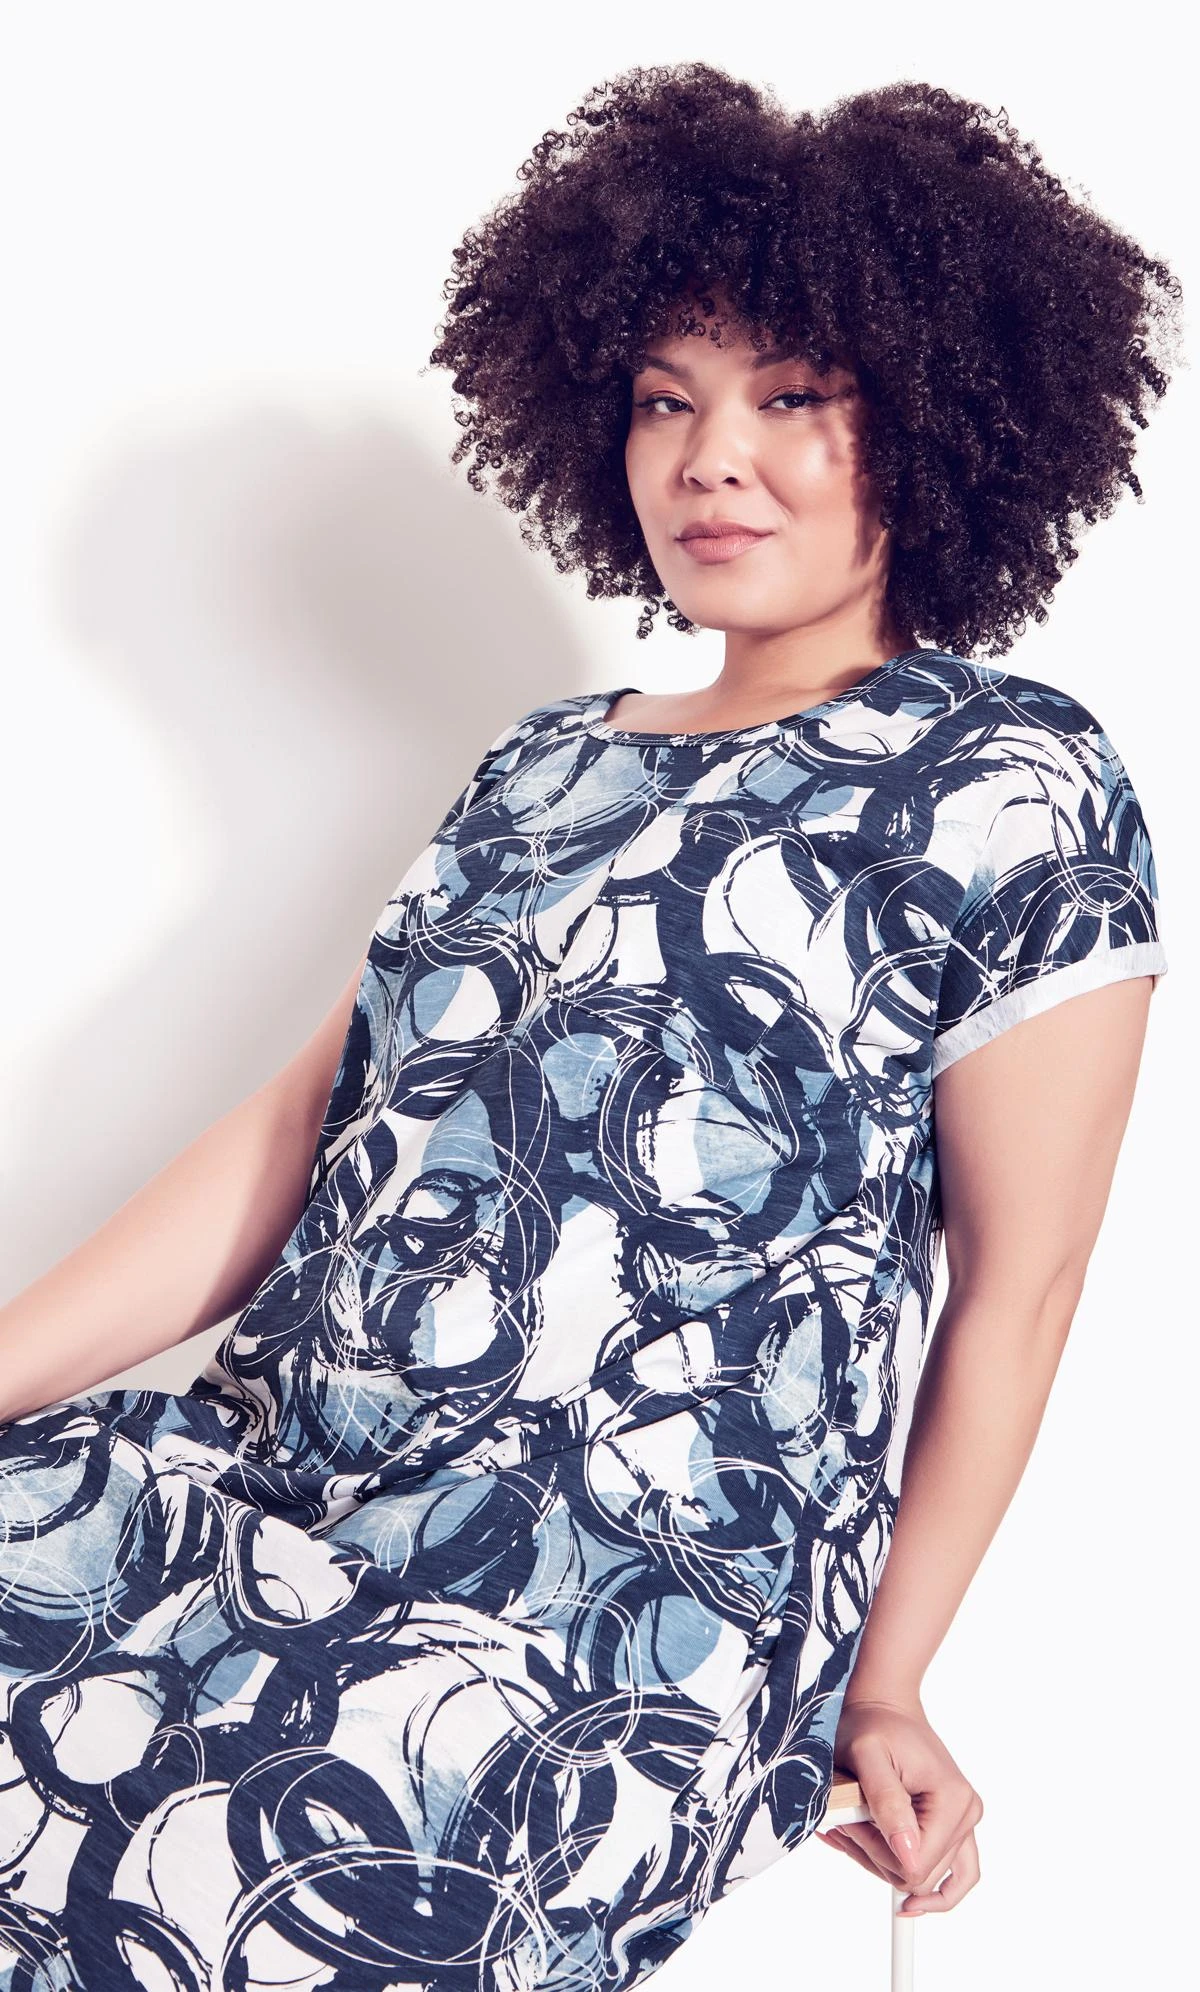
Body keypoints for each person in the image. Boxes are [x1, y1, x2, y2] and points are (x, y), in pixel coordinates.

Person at [0, 64, 1180, 1992]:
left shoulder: (1008, 780)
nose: (711, 459)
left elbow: (1023, 1288)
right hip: (276, 1465)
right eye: (663, 399)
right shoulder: (540, 767)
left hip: (618, 1596)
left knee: (238, 1884)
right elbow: (305, 1133)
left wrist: (886, 1680)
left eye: (791, 397)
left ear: (938, 417)